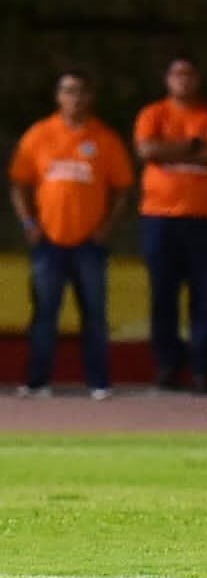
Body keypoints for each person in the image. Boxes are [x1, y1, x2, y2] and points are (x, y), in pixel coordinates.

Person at [8, 71, 135, 400]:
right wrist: (29, 224)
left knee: (94, 315)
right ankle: (38, 383)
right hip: (48, 241)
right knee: (44, 315)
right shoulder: (40, 135)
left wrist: (106, 229)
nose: (74, 98)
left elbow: (122, 188)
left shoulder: (104, 139)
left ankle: (98, 382)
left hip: (89, 244)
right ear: (58, 96)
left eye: (80, 91)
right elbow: (19, 183)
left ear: (90, 97)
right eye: (68, 91)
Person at [133, 57, 207, 390]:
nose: (183, 80)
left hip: (204, 219)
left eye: (189, 74)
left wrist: (173, 152)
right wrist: (194, 148)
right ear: (167, 79)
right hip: (160, 218)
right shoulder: (153, 114)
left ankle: (205, 370)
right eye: (177, 73)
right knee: (164, 295)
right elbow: (148, 149)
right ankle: (167, 366)